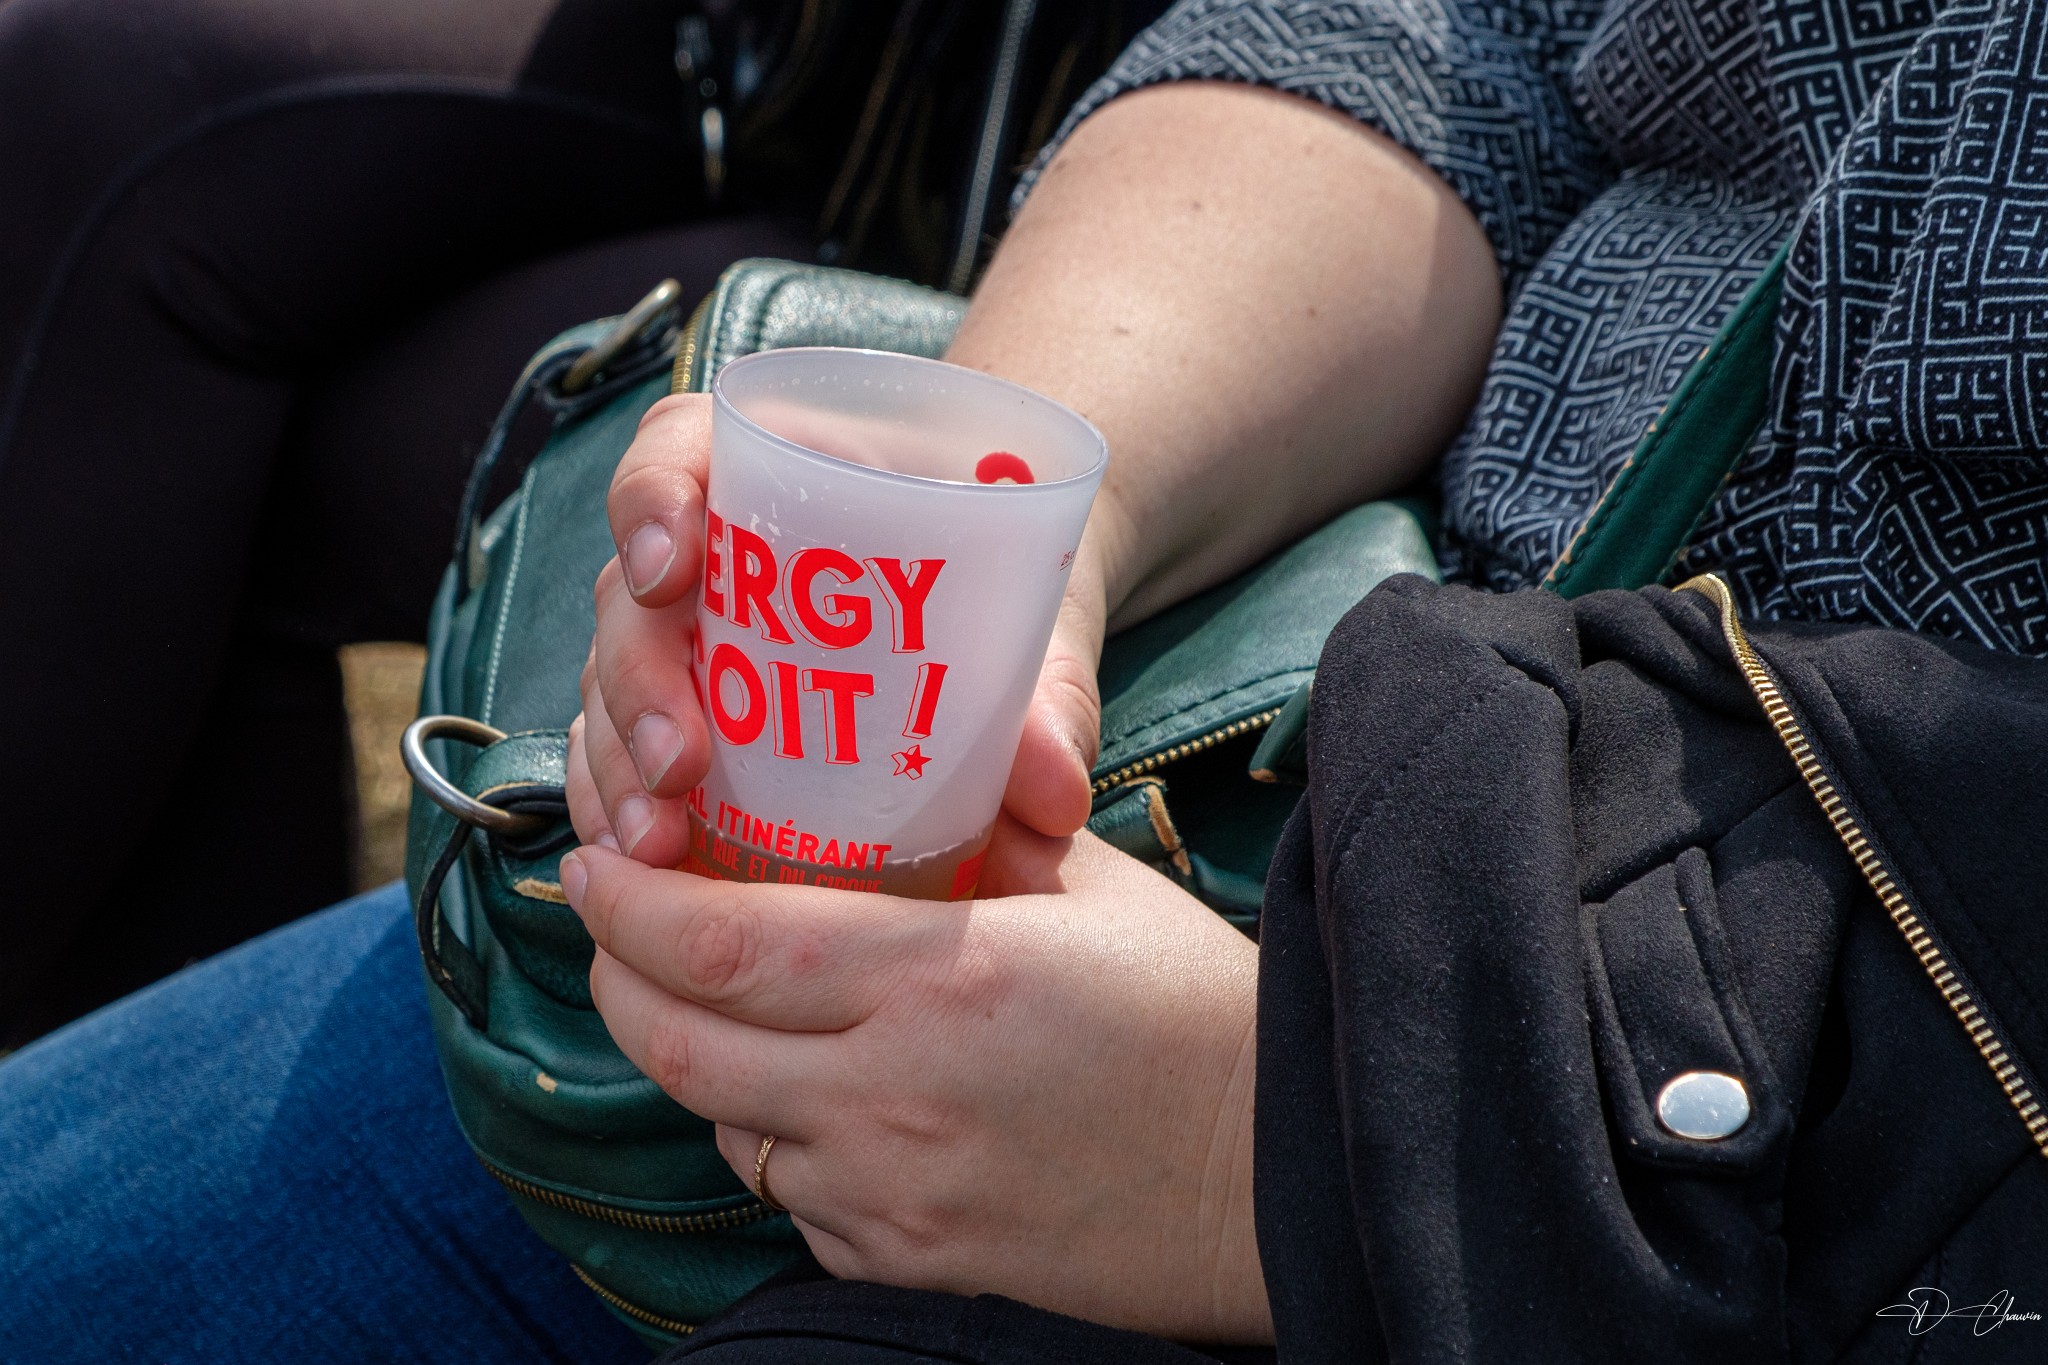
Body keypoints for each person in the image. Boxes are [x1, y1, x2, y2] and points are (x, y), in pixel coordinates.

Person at [5, 0, 2048, 1362]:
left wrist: (1292, 1141)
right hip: (1182, 816)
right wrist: (1008, 491)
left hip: (1611, 1186)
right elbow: (1461, 44)